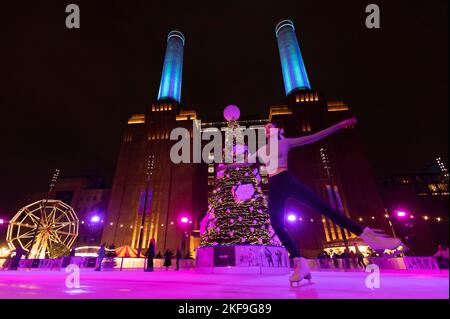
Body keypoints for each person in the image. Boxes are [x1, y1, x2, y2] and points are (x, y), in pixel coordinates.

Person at [223, 118, 406, 286]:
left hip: (287, 179)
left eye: (270, 127)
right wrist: (226, 166)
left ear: (278, 130)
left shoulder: (285, 142)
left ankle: (369, 236)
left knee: (323, 207)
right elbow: (246, 162)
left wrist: (338, 126)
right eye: (266, 129)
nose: (267, 130)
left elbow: (314, 137)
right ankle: (299, 263)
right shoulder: (262, 150)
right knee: (276, 224)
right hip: (274, 185)